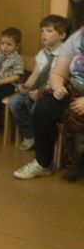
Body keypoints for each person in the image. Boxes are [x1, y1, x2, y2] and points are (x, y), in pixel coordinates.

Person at [14, 23, 84, 180]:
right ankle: (42, 163)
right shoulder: (77, 38)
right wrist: (58, 87)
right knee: (44, 107)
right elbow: (58, 72)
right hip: (76, 90)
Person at [9, 15, 70, 151]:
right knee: (15, 102)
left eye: (49, 31)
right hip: (36, 89)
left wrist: (42, 92)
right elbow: (36, 74)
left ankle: (44, 142)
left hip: (52, 93)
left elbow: (63, 81)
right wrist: (26, 86)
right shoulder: (42, 52)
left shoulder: (66, 54)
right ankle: (30, 135)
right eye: (42, 31)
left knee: (38, 109)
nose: (43, 34)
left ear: (62, 35)